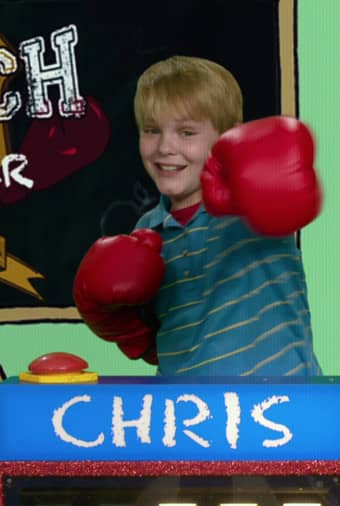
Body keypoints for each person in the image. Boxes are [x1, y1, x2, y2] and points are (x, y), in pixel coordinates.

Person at [72, 56, 323, 376]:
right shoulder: (147, 232)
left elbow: (290, 201)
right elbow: (155, 343)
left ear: (228, 138)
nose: (165, 147)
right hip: (188, 413)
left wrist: (257, 174)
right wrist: (116, 321)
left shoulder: (247, 203)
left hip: (281, 409)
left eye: (187, 132)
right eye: (151, 131)